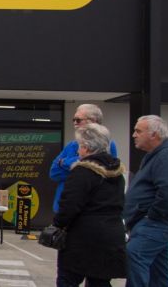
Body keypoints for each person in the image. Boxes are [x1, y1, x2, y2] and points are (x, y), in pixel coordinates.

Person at [52, 123, 127, 287]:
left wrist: (57, 224)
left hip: (82, 239)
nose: (78, 151)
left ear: (86, 147)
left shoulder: (82, 172)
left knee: (68, 281)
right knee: (100, 282)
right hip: (111, 237)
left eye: (79, 146)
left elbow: (69, 206)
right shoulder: (117, 174)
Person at [124, 115, 168, 287]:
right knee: (158, 273)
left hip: (157, 223)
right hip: (153, 223)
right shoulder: (154, 156)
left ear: (154, 135)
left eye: (138, 131)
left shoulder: (167, 156)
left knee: (134, 255)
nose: (134, 135)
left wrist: (150, 216)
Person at [50, 104, 118, 214]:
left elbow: (100, 171)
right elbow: (53, 172)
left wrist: (65, 163)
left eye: (78, 120)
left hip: (87, 209)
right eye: (74, 120)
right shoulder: (71, 145)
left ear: (93, 121)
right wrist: (78, 165)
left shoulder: (108, 145)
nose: (75, 123)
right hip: (63, 206)